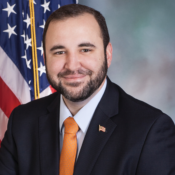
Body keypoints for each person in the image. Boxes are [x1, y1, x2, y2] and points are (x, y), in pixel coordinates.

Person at [0, 4, 175, 175]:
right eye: (59, 52)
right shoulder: (22, 122)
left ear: (108, 54)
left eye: (85, 50)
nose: (72, 65)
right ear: (45, 58)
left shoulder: (151, 130)